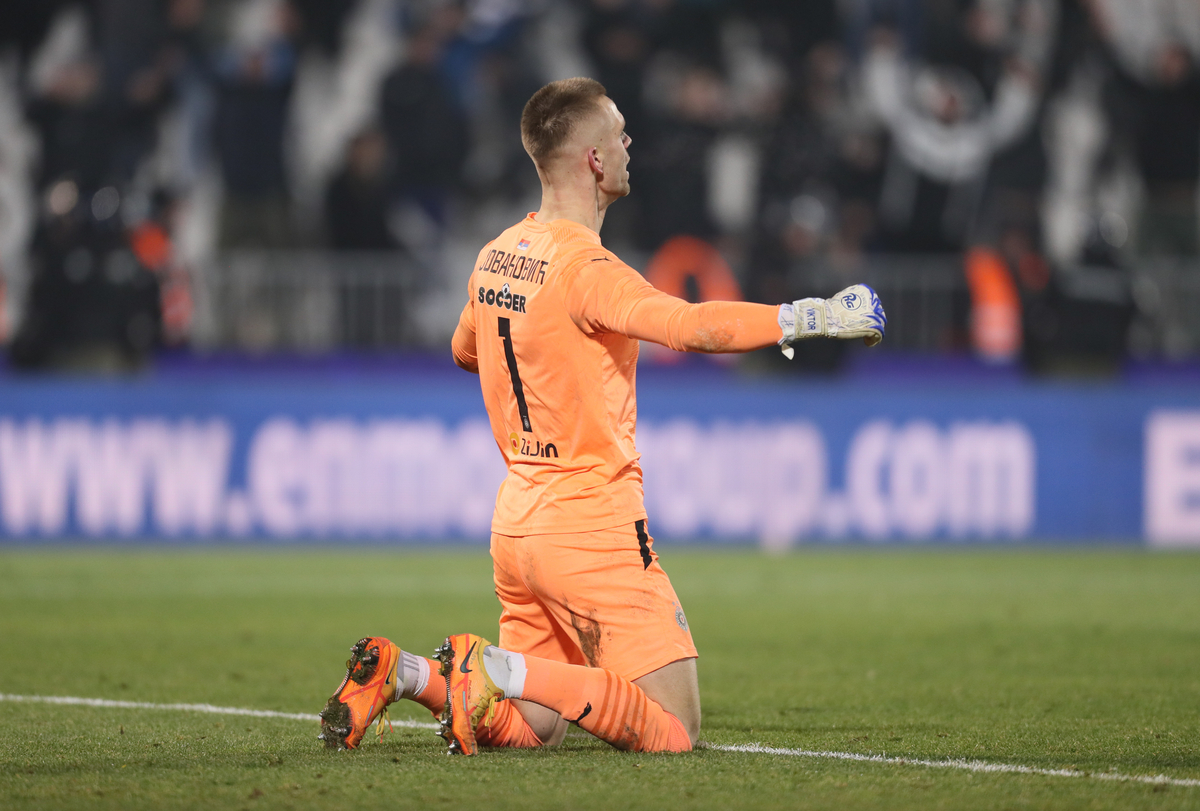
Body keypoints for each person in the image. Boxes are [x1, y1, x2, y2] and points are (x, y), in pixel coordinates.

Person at [318, 77, 886, 756]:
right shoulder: (589, 268)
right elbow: (689, 325)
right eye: (618, 133)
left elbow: (463, 349)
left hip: (518, 524)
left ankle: (407, 671)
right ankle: (490, 665)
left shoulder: (496, 253)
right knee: (674, 730)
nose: (628, 143)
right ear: (592, 159)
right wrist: (808, 316)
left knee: (530, 726)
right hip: (591, 523)